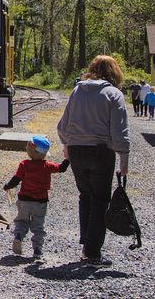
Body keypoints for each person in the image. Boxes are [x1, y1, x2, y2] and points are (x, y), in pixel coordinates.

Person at [57, 55, 129, 268]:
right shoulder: (114, 94)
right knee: (100, 200)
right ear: (114, 72)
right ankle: (93, 253)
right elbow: (119, 131)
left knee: (85, 196)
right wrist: (123, 159)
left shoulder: (77, 90)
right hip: (101, 151)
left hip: (77, 151)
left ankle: (86, 244)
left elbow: (62, 126)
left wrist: (67, 145)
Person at [3, 136, 70, 262]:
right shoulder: (48, 166)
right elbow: (62, 168)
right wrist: (68, 158)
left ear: (30, 151)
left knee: (22, 221)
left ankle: (18, 236)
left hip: (24, 200)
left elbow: (16, 179)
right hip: (40, 202)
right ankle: (37, 250)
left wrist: (8, 186)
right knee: (38, 226)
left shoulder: (24, 164)